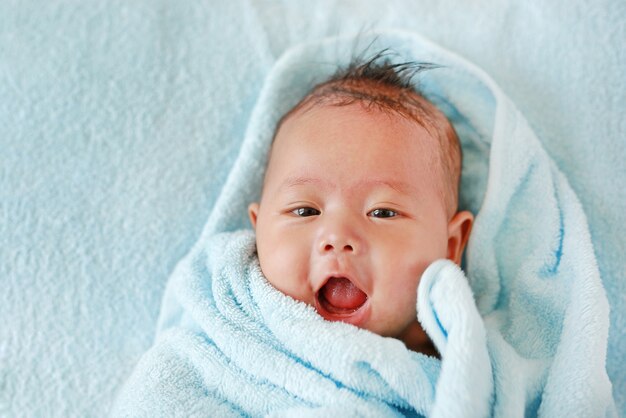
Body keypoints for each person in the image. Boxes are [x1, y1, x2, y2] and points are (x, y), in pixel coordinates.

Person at [247, 52, 474, 356]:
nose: (337, 237)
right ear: (257, 230)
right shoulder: (229, 330)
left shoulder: (460, 362)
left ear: (450, 245)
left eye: (382, 212)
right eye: (305, 211)